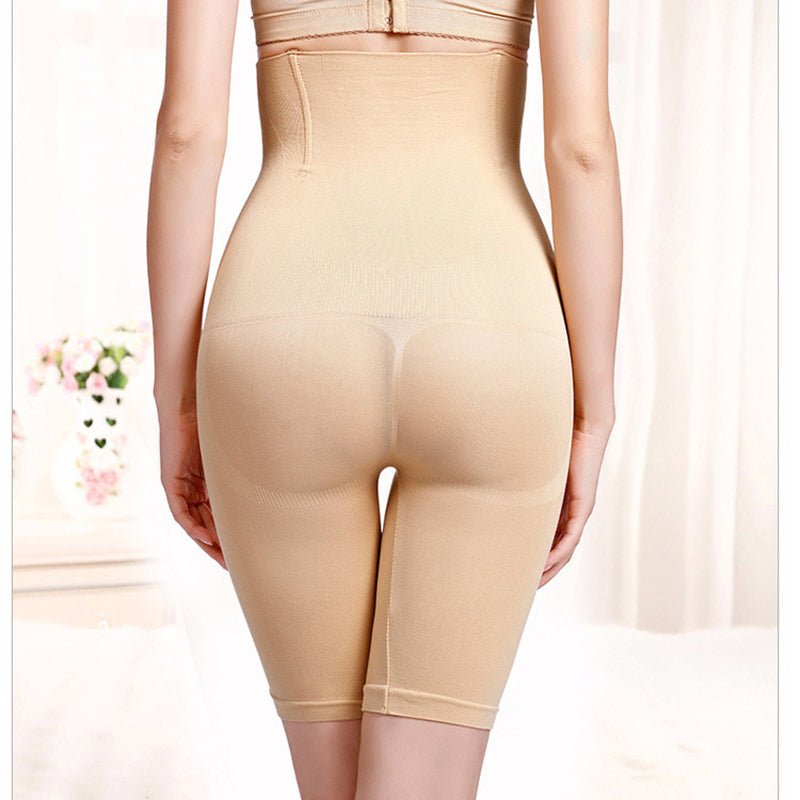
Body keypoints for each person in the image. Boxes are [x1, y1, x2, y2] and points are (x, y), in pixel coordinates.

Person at [146, 0, 622, 796]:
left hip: (282, 326)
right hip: (493, 327)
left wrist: (178, 405)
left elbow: (186, 134)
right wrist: (593, 412)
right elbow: (582, 149)